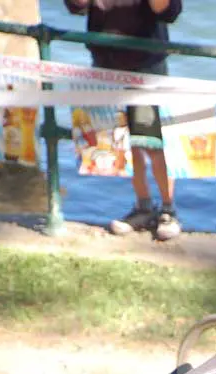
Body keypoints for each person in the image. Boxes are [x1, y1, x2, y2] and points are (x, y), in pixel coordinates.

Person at [64, 0, 182, 241]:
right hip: (106, 61)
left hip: (146, 64)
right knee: (121, 141)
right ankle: (143, 206)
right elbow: (76, 6)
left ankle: (168, 209)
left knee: (153, 140)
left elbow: (169, 11)